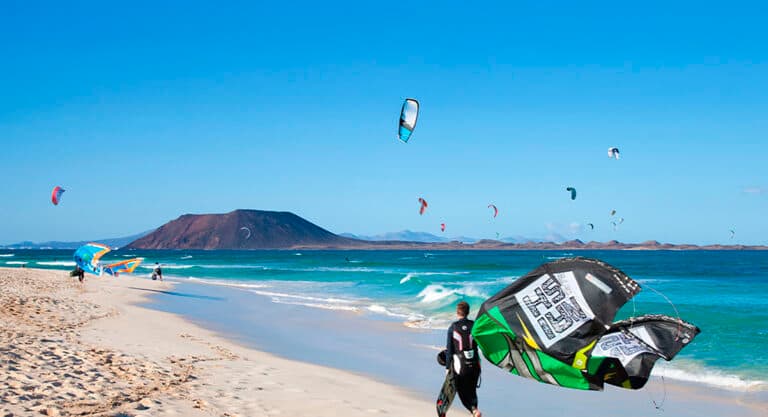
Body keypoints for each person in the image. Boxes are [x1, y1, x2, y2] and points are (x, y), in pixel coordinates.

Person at [446, 301, 482, 417]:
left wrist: (447, 368)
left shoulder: (453, 327)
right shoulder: (475, 326)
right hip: (475, 365)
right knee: (472, 391)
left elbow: (450, 351)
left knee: (461, 391)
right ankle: (474, 410)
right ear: (468, 312)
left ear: (457, 313)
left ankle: (474, 410)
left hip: (461, 366)